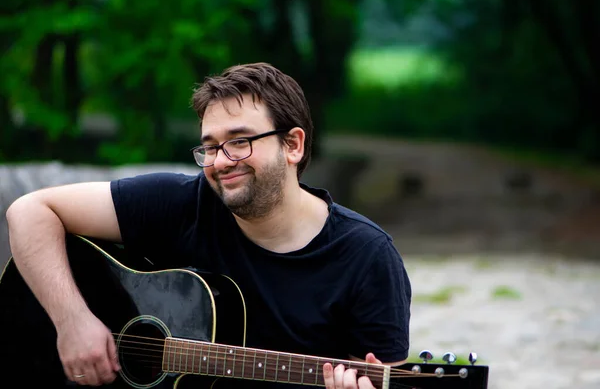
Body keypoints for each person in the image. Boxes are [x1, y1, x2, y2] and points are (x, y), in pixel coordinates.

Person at [6, 62, 411, 388]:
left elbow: (385, 376)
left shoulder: (367, 257)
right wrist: (72, 321)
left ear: (293, 145)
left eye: (239, 141)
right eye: (210, 146)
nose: (219, 161)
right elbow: (29, 211)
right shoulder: (183, 203)